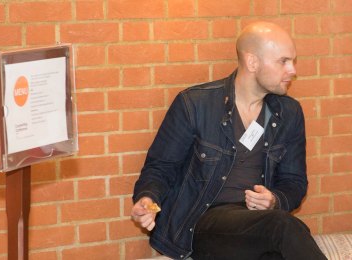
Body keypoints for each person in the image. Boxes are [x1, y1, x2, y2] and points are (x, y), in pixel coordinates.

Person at [130, 21, 326, 260]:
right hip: (201, 224)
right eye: (283, 61)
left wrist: (274, 200)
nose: (293, 70)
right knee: (283, 227)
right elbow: (161, 168)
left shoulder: (289, 113)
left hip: (255, 226)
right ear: (252, 62)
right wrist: (147, 199)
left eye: (293, 61)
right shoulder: (195, 104)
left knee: (277, 247)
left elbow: (294, 182)